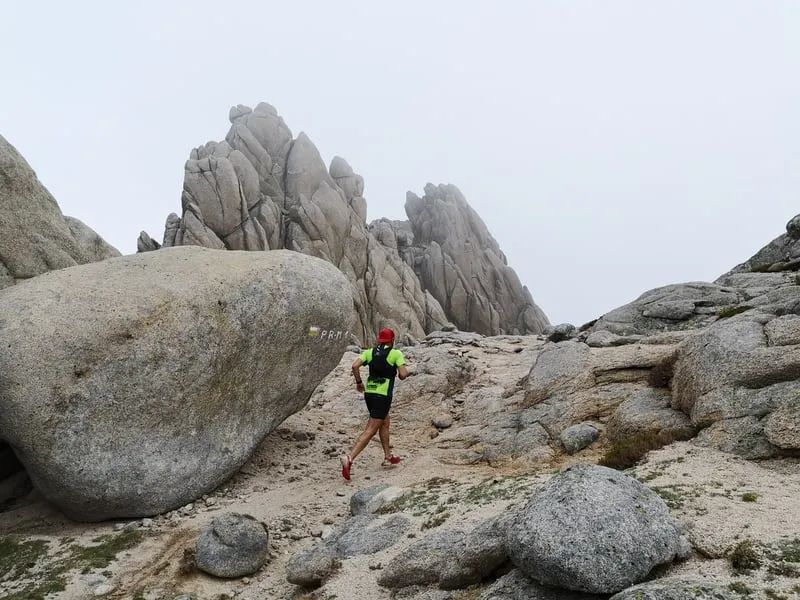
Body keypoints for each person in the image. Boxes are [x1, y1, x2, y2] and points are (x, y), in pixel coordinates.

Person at [340, 327, 409, 481]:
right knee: (371, 429)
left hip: (370, 394)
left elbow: (355, 366)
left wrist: (359, 382)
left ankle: (387, 456)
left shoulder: (369, 352)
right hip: (382, 396)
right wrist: (408, 371)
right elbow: (403, 374)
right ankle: (349, 458)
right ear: (392, 340)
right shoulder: (395, 353)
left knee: (385, 422)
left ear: (379, 340)